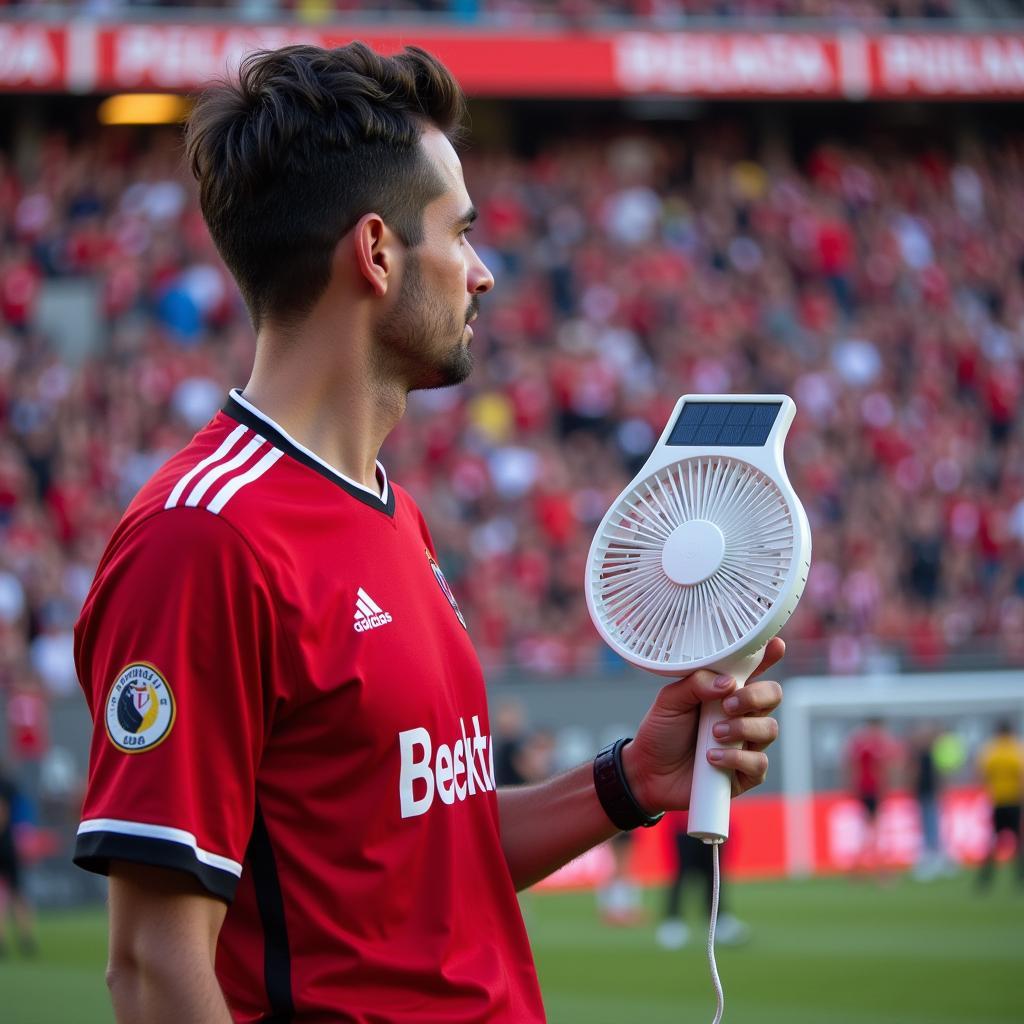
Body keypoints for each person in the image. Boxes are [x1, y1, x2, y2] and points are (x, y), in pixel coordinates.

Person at [71, 43, 785, 1023]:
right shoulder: (205, 539)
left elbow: (422, 854)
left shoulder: (386, 507)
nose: (484, 274)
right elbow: (154, 966)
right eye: (463, 233)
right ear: (376, 252)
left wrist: (629, 782)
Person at [656, 817, 749, 949]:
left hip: (715, 823)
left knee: (714, 875)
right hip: (684, 825)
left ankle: (718, 921)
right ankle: (673, 921)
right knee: (681, 875)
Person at [845, 717, 900, 876]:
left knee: (868, 829)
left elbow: (851, 765)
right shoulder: (877, 745)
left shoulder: (859, 744)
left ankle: (857, 869)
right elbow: (883, 768)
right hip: (872, 790)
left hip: (864, 789)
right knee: (874, 830)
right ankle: (880, 870)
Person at [975, 719, 1024, 891]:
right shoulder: (1017, 750)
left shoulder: (991, 751)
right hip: (1014, 801)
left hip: (997, 801)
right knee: (1018, 841)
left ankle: (985, 879)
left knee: (994, 841)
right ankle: (1019, 878)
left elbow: (982, 774)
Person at [0, 765, 37, 957]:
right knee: (17, 893)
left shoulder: (5, 786)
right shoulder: (10, 784)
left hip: (4, 845)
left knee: (7, 894)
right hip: (10, 845)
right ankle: (26, 937)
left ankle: (5, 940)